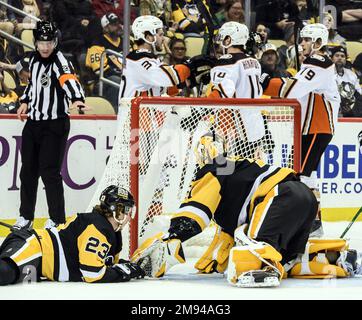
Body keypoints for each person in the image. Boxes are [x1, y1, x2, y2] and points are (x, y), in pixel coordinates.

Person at [131, 132, 361, 287]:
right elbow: (225, 238)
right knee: (287, 258)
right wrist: (209, 264)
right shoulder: (240, 170)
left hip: (280, 197)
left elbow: (195, 213)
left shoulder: (214, 169)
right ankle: (334, 258)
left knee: (252, 246)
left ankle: (258, 270)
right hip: (303, 198)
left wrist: (173, 235)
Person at [260, 23, 341, 237]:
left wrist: (267, 82)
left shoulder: (318, 62)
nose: (302, 43)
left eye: (306, 40)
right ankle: (314, 224)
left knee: (302, 177)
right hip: (313, 126)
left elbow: (292, 90)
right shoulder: (313, 64)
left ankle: (306, 224)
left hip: (318, 126)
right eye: (302, 39)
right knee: (308, 176)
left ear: (318, 43)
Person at [14, 21, 88, 230]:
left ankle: (57, 218)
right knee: (28, 172)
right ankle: (25, 217)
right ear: (36, 43)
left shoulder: (59, 60)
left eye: (49, 42)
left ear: (56, 42)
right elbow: (33, 86)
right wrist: (25, 101)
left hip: (55, 125)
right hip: (33, 124)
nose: (45, 47)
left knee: (49, 172)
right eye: (41, 42)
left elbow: (68, 79)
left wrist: (76, 98)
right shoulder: (34, 60)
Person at [0, 185, 145, 285]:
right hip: (35, 246)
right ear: (116, 210)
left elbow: (102, 264)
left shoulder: (111, 233)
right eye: (127, 210)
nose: (129, 215)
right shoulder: (98, 227)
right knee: (4, 273)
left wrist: (126, 266)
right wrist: (125, 272)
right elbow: (92, 273)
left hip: (39, 264)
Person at [207, 22, 270, 159]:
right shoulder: (254, 61)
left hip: (236, 130)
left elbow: (224, 91)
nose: (220, 40)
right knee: (253, 172)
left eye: (223, 37)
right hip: (256, 128)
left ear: (229, 39)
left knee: (229, 175)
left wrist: (201, 108)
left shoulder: (227, 62)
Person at [118, 15, 214, 100]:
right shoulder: (137, 60)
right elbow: (165, 77)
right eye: (160, 35)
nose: (163, 38)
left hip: (142, 118)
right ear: (148, 37)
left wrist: (188, 81)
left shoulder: (149, 60)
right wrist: (189, 65)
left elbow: (163, 89)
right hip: (132, 119)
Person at [86, 13, 123, 110]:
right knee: (117, 80)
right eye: (114, 24)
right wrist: (123, 74)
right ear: (106, 28)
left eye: (119, 23)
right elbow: (100, 71)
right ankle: (114, 111)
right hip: (103, 81)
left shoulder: (125, 41)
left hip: (125, 76)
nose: (118, 26)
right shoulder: (97, 43)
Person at [331, 46, 361, 117]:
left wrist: (352, 108)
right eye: (337, 55)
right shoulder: (326, 73)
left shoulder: (351, 74)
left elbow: (359, 93)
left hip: (347, 111)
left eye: (342, 56)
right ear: (332, 58)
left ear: (345, 59)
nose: (340, 58)